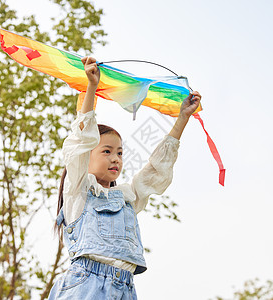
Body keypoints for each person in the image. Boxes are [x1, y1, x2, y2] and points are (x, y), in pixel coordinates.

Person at [48, 56, 201, 299]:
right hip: (86, 287)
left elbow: (156, 170)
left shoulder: (127, 197)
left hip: (125, 288)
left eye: (119, 152)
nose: (115, 158)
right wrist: (91, 86)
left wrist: (182, 117)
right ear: (87, 158)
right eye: (106, 151)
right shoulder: (77, 192)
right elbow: (81, 140)